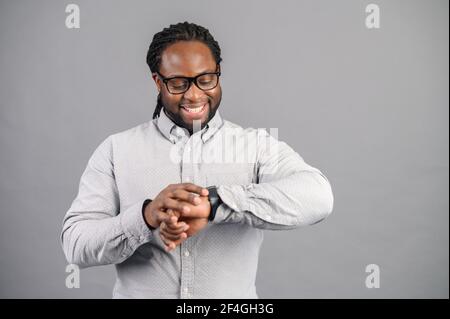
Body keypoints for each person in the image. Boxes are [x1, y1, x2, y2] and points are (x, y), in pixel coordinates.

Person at [61, 21, 334, 299]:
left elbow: (319, 196)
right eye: (178, 83)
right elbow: (75, 244)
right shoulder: (116, 150)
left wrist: (215, 204)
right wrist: (145, 217)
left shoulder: (255, 146)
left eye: (205, 80)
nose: (194, 95)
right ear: (158, 82)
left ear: (218, 75)